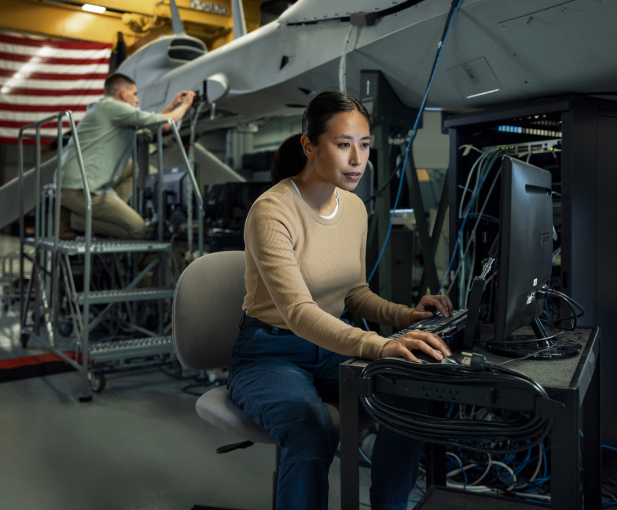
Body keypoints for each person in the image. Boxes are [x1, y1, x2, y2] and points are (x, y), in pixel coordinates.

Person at [227, 91, 454, 510]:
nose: (357, 158)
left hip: (332, 345)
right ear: (309, 145)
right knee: (311, 426)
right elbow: (298, 312)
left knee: (414, 393)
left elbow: (354, 292)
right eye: (343, 143)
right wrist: (380, 345)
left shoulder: (352, 208)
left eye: (364, 145)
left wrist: (407, 315)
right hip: (269, 351)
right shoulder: (271, 211)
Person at [58, 73, 196, 239]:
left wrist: (174, 104)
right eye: (135, 94)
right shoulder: (112, 107)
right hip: (80, 189)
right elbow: (168, 122)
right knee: (139, 229)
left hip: (75, 184)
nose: (137, 100)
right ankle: (74, 221)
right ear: (123, 94)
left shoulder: (109, 111)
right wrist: (186, 104)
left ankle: (107, 214)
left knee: (132, 167)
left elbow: (157, 125)